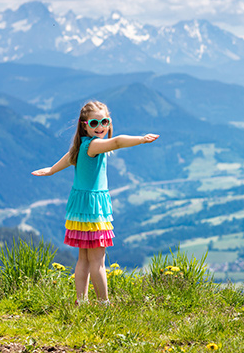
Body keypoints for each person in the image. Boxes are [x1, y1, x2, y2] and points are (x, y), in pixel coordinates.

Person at [32, 101, 159, 305]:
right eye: (94, 123)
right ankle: (103, 304)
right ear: (85, 125)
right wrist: (141, 140)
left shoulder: (82, 144)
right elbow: (116, 142)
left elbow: (69, 158)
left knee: (83, 257)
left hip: (80, 207)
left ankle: (81, 302)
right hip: (92, 208)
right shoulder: (94, 144)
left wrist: (52, 170)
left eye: (104, 121)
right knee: (98, 261)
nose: (100, 126)